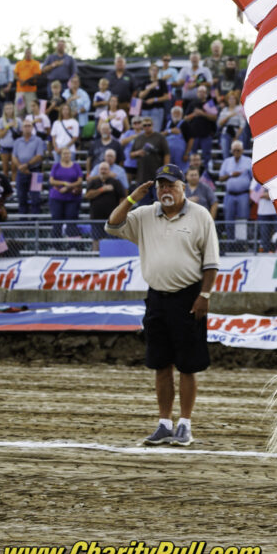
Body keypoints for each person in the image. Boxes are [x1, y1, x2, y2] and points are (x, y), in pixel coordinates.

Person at [106, 165, 219, 446]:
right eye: (161, 186)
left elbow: (211, 263)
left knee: (188, 365)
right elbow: (112, 224)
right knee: (160, 364)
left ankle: (185, 425)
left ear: (183, 187)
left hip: (189, 297)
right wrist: (132, 198)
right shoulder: (145, 214)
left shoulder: (200, 215)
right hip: (156, 298)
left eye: (171, 185)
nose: (166, 190)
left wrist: (204, 295)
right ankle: (164, 423)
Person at [218, 140, 253, 247]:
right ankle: (230, 243)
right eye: (234, 150)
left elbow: (254, 179)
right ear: (231, 151)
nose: (236, 152)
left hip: (243, 194)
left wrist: (251, 194)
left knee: (242, 219)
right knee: (229, 219)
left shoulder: (248, 161)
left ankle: (241, 245)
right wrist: (230, 175)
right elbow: (220, 178)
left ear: (242, 150)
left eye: (238, 150)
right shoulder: (227, 161)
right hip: (230, 194)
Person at [85, 161, 127, 249]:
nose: (103, 171)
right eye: (101, 169)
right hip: (96, 218)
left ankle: (112, 256)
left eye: (105, 169)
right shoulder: (93, 182)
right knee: (96, 240)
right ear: (98, 170)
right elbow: (87, 195)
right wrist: (102, 189)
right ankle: (96, 256)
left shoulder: (116, 182)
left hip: (112, 219)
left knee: (113, 241)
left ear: (109, 171)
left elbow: (123, 197)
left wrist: (120, 212)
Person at [130, 117, 171, 201]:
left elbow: (167, 154)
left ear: (152, 125)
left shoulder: (160, 137)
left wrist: (165, 171)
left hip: (157, 175)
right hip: (142, 175)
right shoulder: (138, 138)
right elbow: (131, 154)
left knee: (159, 200)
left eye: (149, 125)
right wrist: (138, 153)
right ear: (142, 126)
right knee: (143, 202)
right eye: (145, 125)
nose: (147, 127)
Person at [47, 146, 83, 239]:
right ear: (61, 155)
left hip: (72, 198)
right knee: (56, 221)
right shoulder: (56, 166)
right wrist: (63, 183)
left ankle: (73, 244)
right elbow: (51, 181)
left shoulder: (76, 166)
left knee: (71, 221)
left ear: (71, 155)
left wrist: (68, 187)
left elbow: (80, 181)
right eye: (64, 153)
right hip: (56, 198)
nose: (66, 155)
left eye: (68, 153)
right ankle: (55, 244)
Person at [12, 119, 45, 214]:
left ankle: (35, 220)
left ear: (32, 128)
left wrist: (26, 165)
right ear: (22, 128)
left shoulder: (38, 140)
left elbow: (39, 156)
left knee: (36, 198)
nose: (27, 128)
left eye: (29, 126)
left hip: (36, 171)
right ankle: (23, 220)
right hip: (20, 172)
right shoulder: (17, 141)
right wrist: (20, 167)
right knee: (21, 197)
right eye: (25, 126)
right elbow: (14, 157)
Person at [138, 64, 171, 133]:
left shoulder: (161, 82)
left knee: (155, 130)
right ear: (149, 71)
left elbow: (167, 97)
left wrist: (154, 99)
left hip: (157, 109)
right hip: (145, 109)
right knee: (144, 131)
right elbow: (140, 96)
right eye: (152, 70)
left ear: (158, 72)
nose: (154, 72)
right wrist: (150, 87)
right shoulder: (145, 82)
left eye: (156, 70)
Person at [217, 91, 246, 160]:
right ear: (227, 100)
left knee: (238, 152)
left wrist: (236, 136)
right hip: (226, 132)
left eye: (233, 98)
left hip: (237, 132)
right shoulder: (224, 110)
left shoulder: (239, 109)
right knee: (225, 153)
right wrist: (228, 116)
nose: (232, 100)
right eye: (230, 99)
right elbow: (219, 124)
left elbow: (242, 124)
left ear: (236, 100)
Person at [0, 45, 14, 117]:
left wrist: (9, 86)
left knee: (3, 106)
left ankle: (3, 121)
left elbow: (10, 73)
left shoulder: (5, 60)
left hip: (3, 87)